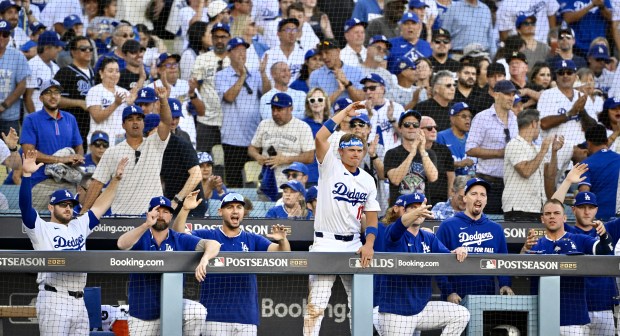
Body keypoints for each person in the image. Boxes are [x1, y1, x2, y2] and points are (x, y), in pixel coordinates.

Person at [20, 149, 127, 336]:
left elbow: (101, 206)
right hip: (54, 297)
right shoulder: (40, 228)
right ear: (51, 207)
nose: (68, 208)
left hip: (79, 300)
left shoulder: (79, 225)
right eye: (63, 205)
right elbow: (25, 207)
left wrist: (116, 181)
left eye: (70, 205)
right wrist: (27, 174)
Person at [303, 100, 381, 336]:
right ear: (341, 151)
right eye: (351, 150)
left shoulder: (368, 179)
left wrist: (369, 244)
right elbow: (320, 137)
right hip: (325, 242)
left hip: (354, 244)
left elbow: (372, 216)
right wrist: (345, 113)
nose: (356, 154)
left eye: (359, 150)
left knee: (360, 306)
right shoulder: (330, 165)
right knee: (316, 307)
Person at [172, 191, 290, 335]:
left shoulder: (252, 238)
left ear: (243, 212)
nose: (235, 211)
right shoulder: (209, 234)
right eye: (230, 207)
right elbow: (178, 235)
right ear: (220, 211)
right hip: (215, 318)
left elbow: (281, 254)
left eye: (239, 207)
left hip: (247, 318)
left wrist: (283, 240)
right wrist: (185, 209)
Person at [116, 195, 221, 335]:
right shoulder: (141, 236)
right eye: (157, 211)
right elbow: (121, 244)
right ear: (149, 213)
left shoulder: (178, 238)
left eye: (165, 212)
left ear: (171, 216)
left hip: (172, 308)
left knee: (197, 311)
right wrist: (146, 224)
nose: (160, 215)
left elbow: (213, 244)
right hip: (143, 312)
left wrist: (205, 258)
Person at [378, 192, 470, 335]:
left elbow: (448, 258)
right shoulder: (392, 232)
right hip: (396, 312)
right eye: (413, 208)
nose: (418, 212)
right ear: (404, 211)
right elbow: (399, 226)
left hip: (422, 309)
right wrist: (415, 213)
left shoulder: (429, 237)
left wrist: (459, 250)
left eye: (420, 208)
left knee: (461, 314)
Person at [545, 164, 619, 336]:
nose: (587, 211)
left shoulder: (608, 229)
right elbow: (552, 209)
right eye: (582, 207)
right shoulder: (568, 232)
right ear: (573, 209)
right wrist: (568, 182)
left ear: (596, 210)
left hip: (604, 307)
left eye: (591, 207)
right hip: (577, 310)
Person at [81, 83, 172, 216]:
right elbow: (97, 183)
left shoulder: (156, 143)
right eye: (130, 119)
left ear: (143, 123)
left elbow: (166, 122)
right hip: (121, 218)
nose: (135, 122)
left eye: (139, 119)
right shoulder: (112, 152)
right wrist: (84, 211)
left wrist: (163, 99)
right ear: (123, 125)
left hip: (152, 216)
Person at [525, 198, 613, 335]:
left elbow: (604, 250)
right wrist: (524, 250)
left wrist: (604, 235)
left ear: (564, 217)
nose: (552, 216)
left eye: (556, 213)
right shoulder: (534, 244)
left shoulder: (579, 239)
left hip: (574, 320)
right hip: (543, 319)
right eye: (548, 214)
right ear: (542, 219)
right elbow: (519, 269)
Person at [436, 178, 514, 303]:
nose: (478, 198)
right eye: (474, 194)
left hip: (487, 299)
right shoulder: (448, 226)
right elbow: (438, 264)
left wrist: (505, 284)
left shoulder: (496, 229)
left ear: (486, 200)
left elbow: (502, 262)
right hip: (455, 299)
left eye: (483, 195)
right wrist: (448, 292)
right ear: (465, 198)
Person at [21, 79, 84, 210]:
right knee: (37, 226)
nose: (53, 96)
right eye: (48, 92)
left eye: (56, 92)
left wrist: (78, 157)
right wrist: (61, 159)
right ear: (41, 97)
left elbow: (79, 146)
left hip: (67, 182)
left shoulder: (70, 119)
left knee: (67, 226)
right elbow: (29, 153)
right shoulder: (31, 119)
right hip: (41, 182)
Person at [215, 37, 268, 188]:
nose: (242, 53)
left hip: (254, 139)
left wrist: (263, 74)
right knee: (234, 184)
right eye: (238, 50)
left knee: (256, 182)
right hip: (233, 139)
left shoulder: (255, 75)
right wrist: (242, 76)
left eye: (244, 50)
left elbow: (267, 94)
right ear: (229, 53)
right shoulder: (221, 76)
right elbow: (229, 97)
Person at [466, 80, 519, 214]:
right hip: (489, 182)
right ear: (496, 95)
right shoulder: (482, 118)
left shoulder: (515, 119)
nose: (511, 98)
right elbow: (470, 149)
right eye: (507, 94)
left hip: (512, 184)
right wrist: (500, 153)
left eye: (513, 94)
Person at [539, 59, 598, 179]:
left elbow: (593, 128)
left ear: (575, 76)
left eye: (569, 72)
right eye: (561, 72)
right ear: (556, 76)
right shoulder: (547, 95)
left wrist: (581, 111)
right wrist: (570, 113)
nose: (565, 75)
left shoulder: (582, 97)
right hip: (556, 157)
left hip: (580, 158)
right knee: (556, 196)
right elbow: (543, 123)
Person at [503, 109, 563, 221]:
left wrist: (554, 152)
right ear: (534, 123)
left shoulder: (536, 148)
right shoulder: (514, 144)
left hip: (538, 209)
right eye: (539, 125)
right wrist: (543, 150)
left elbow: (550, 175)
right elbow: (525, 172)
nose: (539, 129)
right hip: (518, 209)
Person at [248, 92, 315, 189]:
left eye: (279, 109)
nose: (275, 113)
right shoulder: (264, 124)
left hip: (292, 184)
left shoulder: (302, 127)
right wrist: (258, 156)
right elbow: (252, 148)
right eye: (273, 109)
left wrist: (285, 159)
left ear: (290, 109)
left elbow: (309, 157)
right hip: (267, 180)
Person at [190, 22, 230, 153]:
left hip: (229, 121)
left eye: (223, 37)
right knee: (203, 159)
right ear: (212, 38)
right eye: (216, 37)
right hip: (206, 120)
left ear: (229, 38)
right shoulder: (202, 59)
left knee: (229, 162)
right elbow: (195, 87)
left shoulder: (234, 59)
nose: (219, 40)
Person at [384, 110, 439, 205]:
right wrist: (412, 153)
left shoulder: (429, 154)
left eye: (415, 125)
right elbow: (395, 180)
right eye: (407, 124)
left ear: (419, 129)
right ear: (400, 129)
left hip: (422, 209)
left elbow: (433, 177)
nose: (411, 127)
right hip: (399, 210)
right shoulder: (392, 153)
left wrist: (422, 150)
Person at [54, 36, 95, 150]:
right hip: (70, 126)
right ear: (73, 52)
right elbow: (54, 99)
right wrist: (79, 103)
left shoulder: (94, 72)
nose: (88, 51)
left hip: (89, 126)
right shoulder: (65, 72)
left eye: (90, 49)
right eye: (83, 49)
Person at [86, 57, 132, 146]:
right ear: (101, 73)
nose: (114, 74)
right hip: (100, 143)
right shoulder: (94, 91)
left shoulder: (124, 92)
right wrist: (116, 104)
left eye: (117, 71)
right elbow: (97, 118)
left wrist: (131, 104)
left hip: (121, 142)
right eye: (110, 71)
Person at [577, 124, 620, 220]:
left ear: (588, 143)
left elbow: (584, 192)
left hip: (599, 221)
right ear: (606, 140)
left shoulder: (585, 163)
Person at [309, 39, 365, 103]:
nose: (324, 57)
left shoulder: (356, 72)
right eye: (321, 54)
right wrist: (339, 91)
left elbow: (361, 101)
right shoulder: (315, 75)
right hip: (329, 113)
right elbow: (316, 105)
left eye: (327, 52)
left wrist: (347, 83)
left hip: (352, 112)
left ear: (338, 51)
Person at [0, 19, 30, 135]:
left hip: (10, 117)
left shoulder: (17, 56)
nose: (1, 37)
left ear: (9, 37)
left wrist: (4, 105)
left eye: (5, 34)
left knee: (10, 151)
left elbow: (22, 86)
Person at [24, 30, 63, 115]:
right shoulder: (32, 65)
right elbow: (27, 97)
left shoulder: (56, 67)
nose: (59, 50)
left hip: (52, 116)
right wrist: (35, 119)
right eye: (56, 47)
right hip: (35, 114)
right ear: (46, 48)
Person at [420, 116, 454, 206]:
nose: (434, 130)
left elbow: (451, 177)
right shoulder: (411, 150)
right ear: (418, 130)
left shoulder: (444, 150)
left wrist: (450, 200)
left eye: (435, 128)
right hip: (418, 199)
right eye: (429, 128)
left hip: (440, 200)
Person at [436, 102, 475, 177]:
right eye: (463, 116)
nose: (468, 120)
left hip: (470, 181)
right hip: (450, 181)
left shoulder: (473, 137)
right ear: (452, 119)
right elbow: (437, 164)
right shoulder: (441, 137)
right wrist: (459, 164)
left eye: (470, 117)